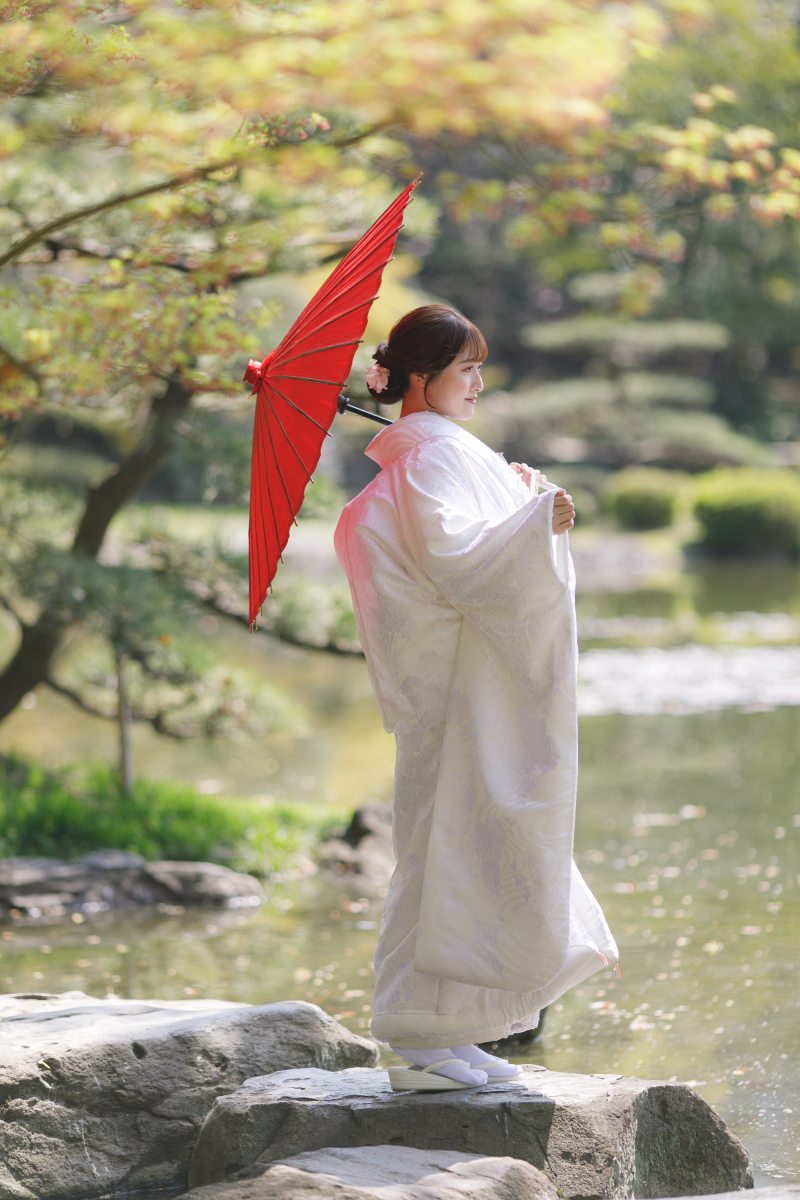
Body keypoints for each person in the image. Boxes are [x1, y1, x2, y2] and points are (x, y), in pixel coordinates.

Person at [334, 304, 617, 1092]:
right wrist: (532, 523)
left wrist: (526, 504)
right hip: (460, 691)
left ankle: (447, 1029)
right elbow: (460, 561)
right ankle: (416, 1035)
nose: (479, 383)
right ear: (420, 377)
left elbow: (471, 542)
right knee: (439, 852)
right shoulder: (429, 460)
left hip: (466, 687)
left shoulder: (435, 454)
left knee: (458, 849)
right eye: (466, 369)